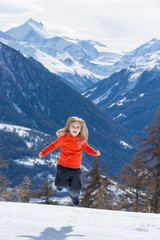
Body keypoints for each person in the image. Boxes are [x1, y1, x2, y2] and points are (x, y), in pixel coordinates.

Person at [39, 116, 101, 206]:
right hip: (63, 166)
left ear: (80, 129)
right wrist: (43, 153)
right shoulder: (63, 138)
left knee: (76, 189)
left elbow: (87, 148)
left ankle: (74, 197)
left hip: (76, 169)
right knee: (60, 185)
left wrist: (94, 152)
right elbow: (53, 145)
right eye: (73, 126)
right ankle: (62, 183)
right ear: (69, 127)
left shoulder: (81, 140)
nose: (75, 129)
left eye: (77, 127)